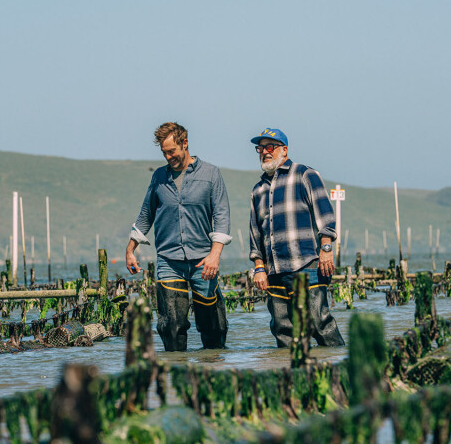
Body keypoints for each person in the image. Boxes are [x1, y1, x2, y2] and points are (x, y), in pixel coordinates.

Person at [125, 122, 231, 351]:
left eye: (171, 151)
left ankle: (211, 372)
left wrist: (215, 255)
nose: (167, 156)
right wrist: (130, 249)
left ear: (185, 143)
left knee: (212, 328)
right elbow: (146, 214)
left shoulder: (211, 174)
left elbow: (222, 217)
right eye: (164, 152)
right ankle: (176, 376)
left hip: (204, 261)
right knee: (171, 326)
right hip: (169, 261)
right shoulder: (158, 177)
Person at [248, 128, 345, 347]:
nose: (265, 152)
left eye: (269, 147)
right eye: (260, 148)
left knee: (319, 323)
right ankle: (292, 375)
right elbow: (255, 231)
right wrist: (259, 267)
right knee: (284, 331)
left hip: (305, 265)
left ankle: (339, 369)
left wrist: (326, 249)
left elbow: (325, 213)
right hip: (274, 271)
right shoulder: (258, 189)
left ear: (284, 150)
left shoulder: (304, 175)